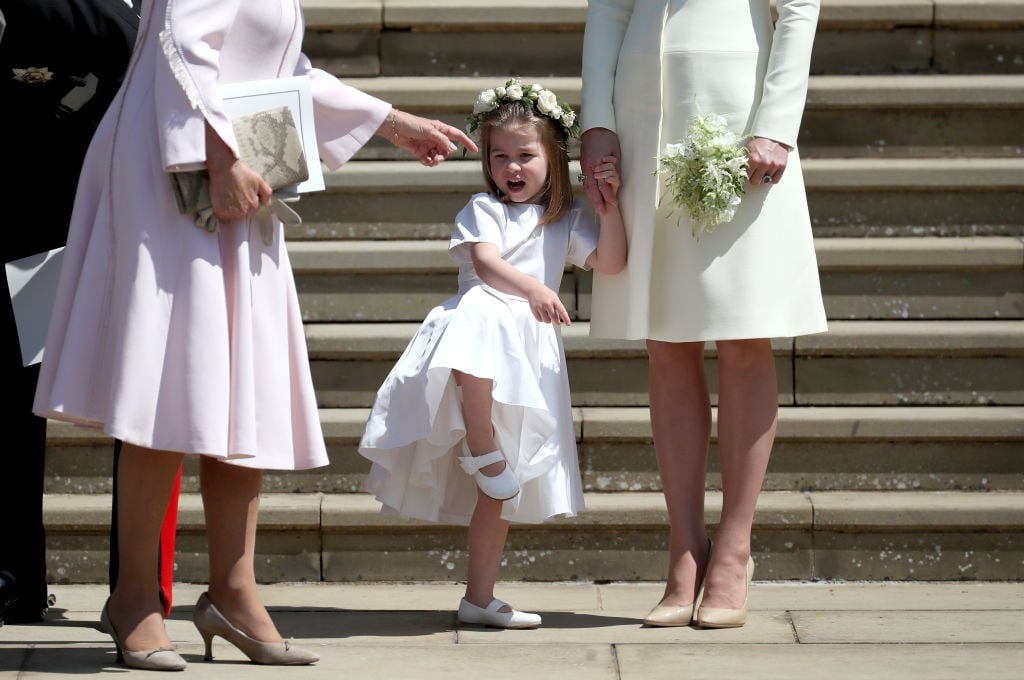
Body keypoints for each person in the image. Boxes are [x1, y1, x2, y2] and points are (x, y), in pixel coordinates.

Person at [31, 0, 476, 671]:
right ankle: (133, 600)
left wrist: (391, 122)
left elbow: (281, 71)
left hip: (230, 167)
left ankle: (232, 592)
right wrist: (221, 156)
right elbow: (182, 47)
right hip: (177, 176)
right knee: (168, 378)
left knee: (238, 378)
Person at [580, 0, 827, 629]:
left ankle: (735, 550)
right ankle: (684, 550)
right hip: (641, 113)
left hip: (740, 111)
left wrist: (776, 122)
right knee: (666, 341)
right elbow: (608, 6)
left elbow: (799, 7)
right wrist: (597, 120)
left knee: (744, 333)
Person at [358, 79, 627, 629]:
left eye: (526, 155)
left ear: (553, 157)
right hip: (476, 339)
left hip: (525, 357)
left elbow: (614, 262)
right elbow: (485, 266)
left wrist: (610, 206)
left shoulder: (563, 220)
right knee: (485, 302)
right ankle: (481, 444)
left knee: (500, 491)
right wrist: (533, 289)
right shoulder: (483, 208)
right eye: (501, 156)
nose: (512, 167)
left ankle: (479, 596)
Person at [0, 0, 181, 627]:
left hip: (143, 212)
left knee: (148, 396)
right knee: (14, 394)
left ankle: (137, 589)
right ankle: (13, 578)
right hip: (30, 205)